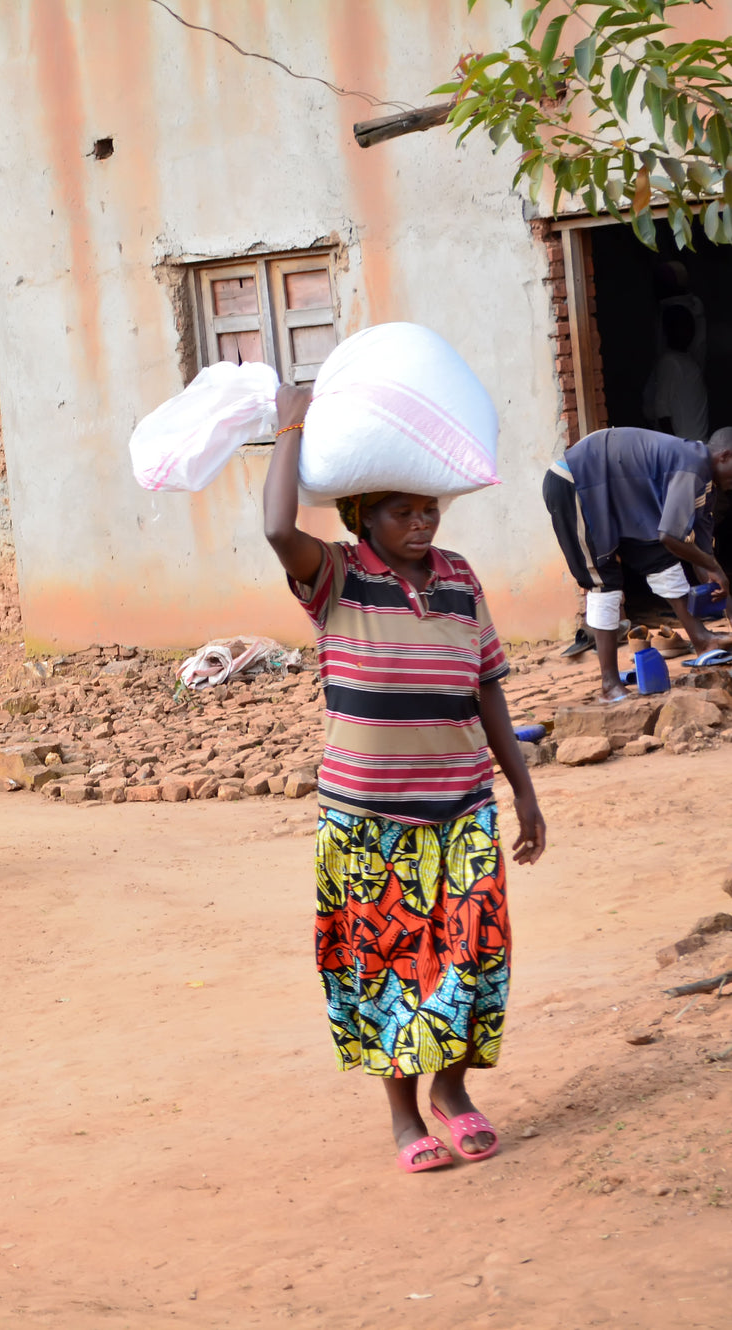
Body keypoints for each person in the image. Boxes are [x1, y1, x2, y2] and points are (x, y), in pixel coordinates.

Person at [263, 383, 546, 1174]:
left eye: (428, 510)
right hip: (367, 819)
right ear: (362, 516)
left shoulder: (458, 578)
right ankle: (402, 1117)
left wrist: (522, 792)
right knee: (383, 969)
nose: (419, 524)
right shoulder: (337, 576)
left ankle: (452, 1095)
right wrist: (290, 422)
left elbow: (486, 685)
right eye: (400, 512)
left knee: (471, 956)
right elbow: (275, 526)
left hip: (461, 806)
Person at [542, 426, 732, 700]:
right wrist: (714, 568)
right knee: (603, 580)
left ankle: (702, 640)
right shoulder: (693, 465)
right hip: (577, 482)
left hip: (618, 496)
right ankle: (609, 685)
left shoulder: (707, 486)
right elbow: (671, 536)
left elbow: (702, 554)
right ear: (725, 456)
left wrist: (719, 581)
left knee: (661, 560)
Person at [642, 304, 708, 442]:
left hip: (696, 444)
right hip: (685, 445)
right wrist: (677, 448)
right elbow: (662, 411)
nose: (689, 332)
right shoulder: (669, 362)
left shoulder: (687, 359)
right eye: (683, 327)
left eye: (691, 327)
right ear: (669, 330)